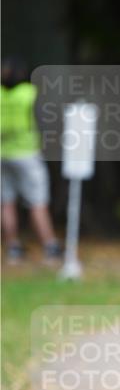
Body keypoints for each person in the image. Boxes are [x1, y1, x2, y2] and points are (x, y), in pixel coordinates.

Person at [1, 58, 62, 265]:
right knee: (38, 202)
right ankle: (50, 246)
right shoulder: (30, 93)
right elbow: (45, 120)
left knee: (6, 203)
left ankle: (13, 248)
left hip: (2, 154)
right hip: (27, 154)